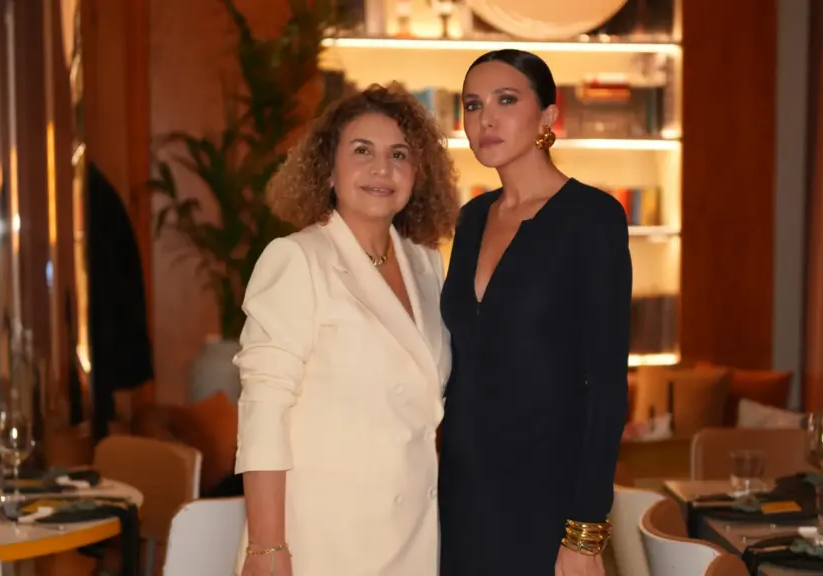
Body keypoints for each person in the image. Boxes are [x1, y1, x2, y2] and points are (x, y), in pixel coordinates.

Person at [233, 83, 459, 576]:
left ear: (417, 173)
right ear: (329, 171)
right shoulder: (297, 259)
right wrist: (267, 547)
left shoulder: (427, 265)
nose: (382, 168)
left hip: (411, 536)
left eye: (399, 154)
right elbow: (263, 413)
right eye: (362, 151)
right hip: (320, 539)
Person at [438, 49, 632, 576]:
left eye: (506, 100)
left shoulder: (594, 217)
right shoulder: (472, 218)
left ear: (548, 116)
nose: (486, 119)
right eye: (473, 105)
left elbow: (607, 386)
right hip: (461, 493)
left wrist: (585, 530)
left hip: (549, 496)